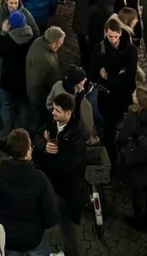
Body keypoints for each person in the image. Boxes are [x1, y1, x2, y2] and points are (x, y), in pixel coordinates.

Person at [0, 129, 58, 256]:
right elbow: (52, 214)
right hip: (33, 237)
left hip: (9, 236)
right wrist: (41, 226)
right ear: (28, 151)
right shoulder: (40, 178)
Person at [33, 93, 87, 256]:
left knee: (68, 230)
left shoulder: (76, 140)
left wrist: (44, 154)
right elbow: (36, 134)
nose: (53, 113)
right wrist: (44, 146)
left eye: (57, 110)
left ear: (68, 113)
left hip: (66, 194)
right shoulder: (54, 124)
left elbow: (65, 169)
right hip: (54, 187)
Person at [115, 86, 147, 231]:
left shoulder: (133, 117)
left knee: (136, 191)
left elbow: (122, 138)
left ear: (139, 100)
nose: (132, 94)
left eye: (134, 94)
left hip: (134, 158)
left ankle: (137, 219)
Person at [89, 16, 138, 155]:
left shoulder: (131, 50)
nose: (113, 40)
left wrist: (108, 76)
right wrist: (120, 74)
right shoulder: (99, 49)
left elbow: (130, 75)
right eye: (110, 36)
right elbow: (93, 75)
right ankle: (112, 158)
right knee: (109, 130)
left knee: (123, 125)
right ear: (105, 33)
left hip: (124, 96)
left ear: (120, 33)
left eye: (116, 36)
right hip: (107, 98)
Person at [0, 9, 36, 133]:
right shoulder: (31, 35)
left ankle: (8, 132)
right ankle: (24, 132)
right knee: (24, 105)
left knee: (6, 106)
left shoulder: (9, 39)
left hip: (9, 79)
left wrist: (3, 32)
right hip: (25, 78)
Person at [25, 26, 65, 133]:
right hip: (39, 96)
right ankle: (34, 136)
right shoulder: (45, 59)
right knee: (37, 118)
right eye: (60, 43)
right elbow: (36, 82)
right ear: (53, 44)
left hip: (36, 92)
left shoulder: (40, 42)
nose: (61, 46)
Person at [73, 0, 115, 73]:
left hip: (95, 33)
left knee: (92, 51)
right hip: (82, 27)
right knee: (83, 48)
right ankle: (84, 61)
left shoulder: (106, 4)